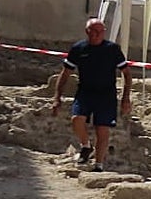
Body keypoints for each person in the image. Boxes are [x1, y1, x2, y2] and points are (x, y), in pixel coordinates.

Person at [52, 18, 132, 171]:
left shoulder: (112, 49)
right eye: (92, 31)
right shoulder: (78, 48)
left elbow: (127, 74)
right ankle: (86, 146)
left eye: (98, 32)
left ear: (103, 33)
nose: (95, 35)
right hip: (85, 93)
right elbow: (65, 73)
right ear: (86, 32)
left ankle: (98, 165)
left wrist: (125, 98)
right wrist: (57, 97)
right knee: (77, 119)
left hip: (106, 95)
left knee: (102, 129)